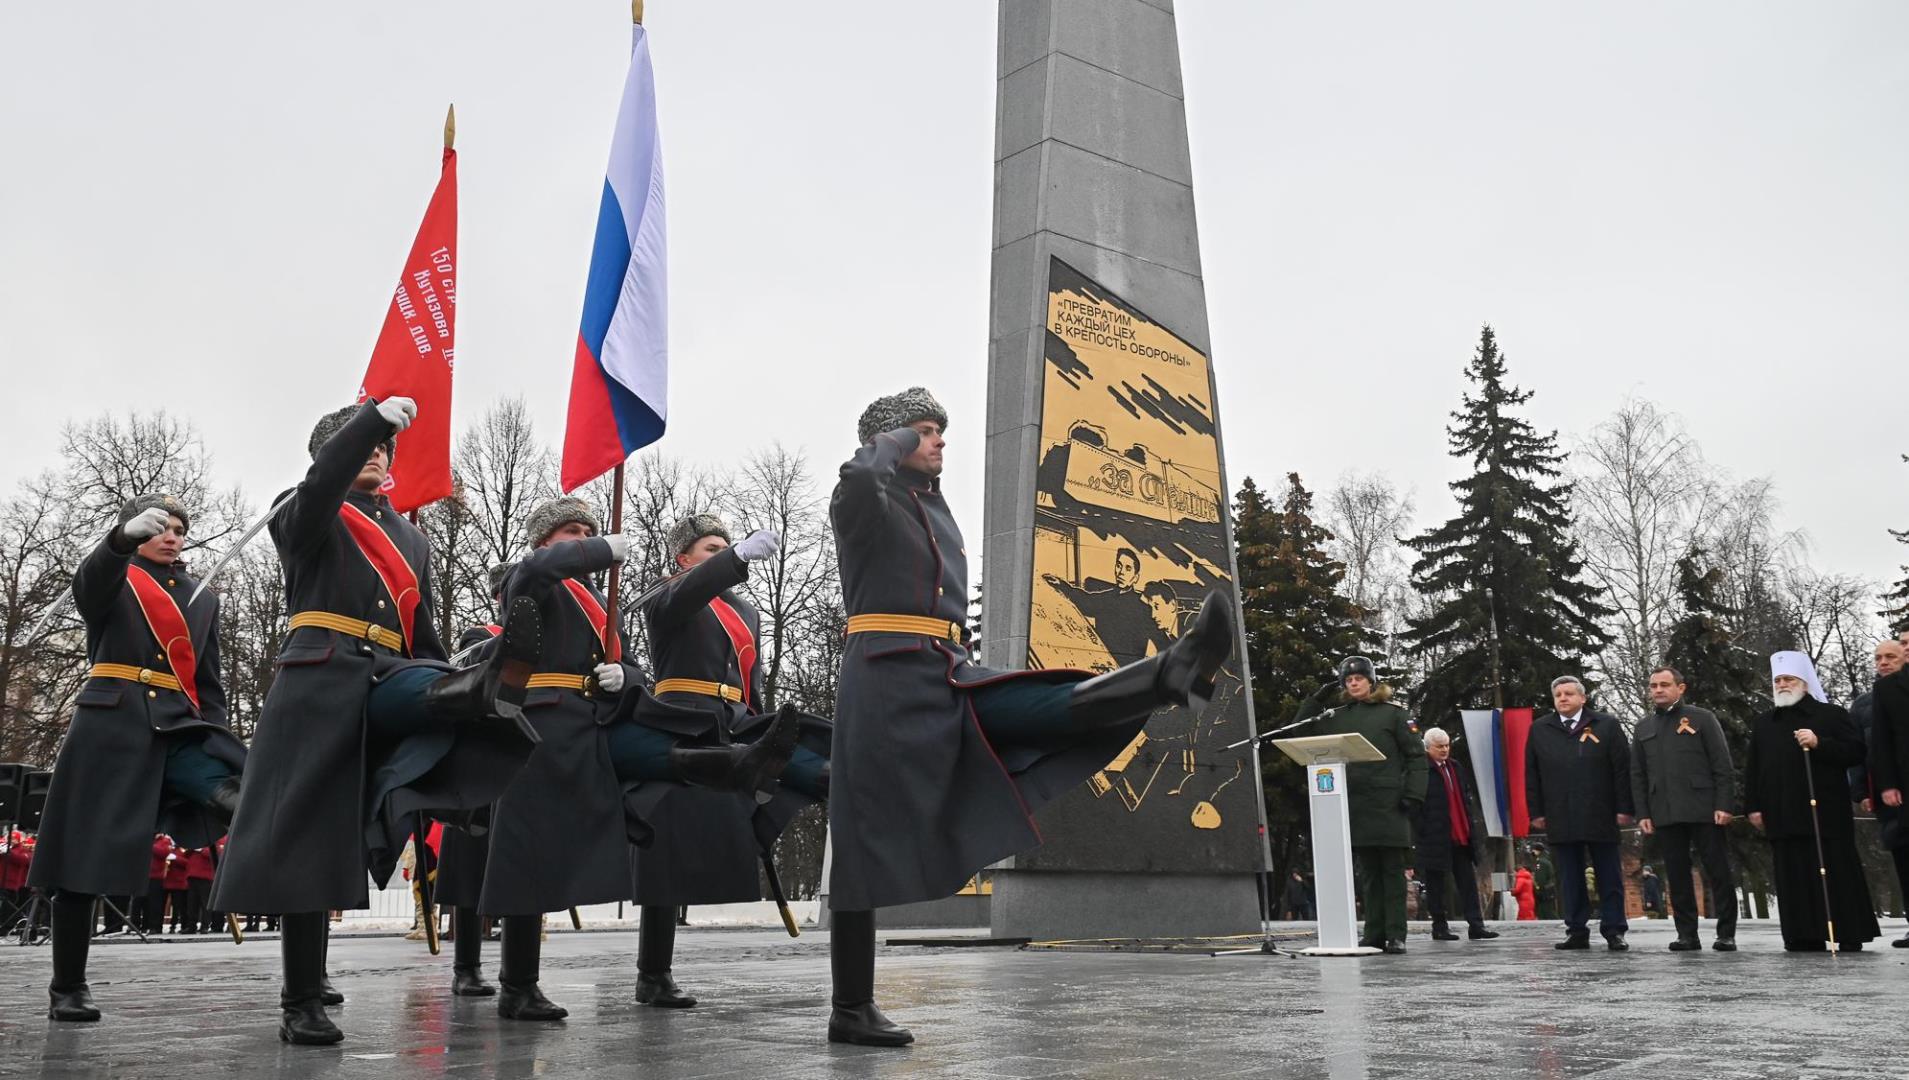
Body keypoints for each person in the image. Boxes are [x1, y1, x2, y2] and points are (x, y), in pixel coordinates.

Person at [826, 389, 1235, 1046]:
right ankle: (850, 1007)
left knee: (1043, 705)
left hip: (945, 670)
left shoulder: (930, 509)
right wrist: (895, 437)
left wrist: (911, 441)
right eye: (926, 432)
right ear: (893, 440)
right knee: (859, 841)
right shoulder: (867, 503)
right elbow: (855, 478)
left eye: (938, 432)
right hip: (883, 678)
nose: (939, 442)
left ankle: (1173, 672)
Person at [210, 399, 547, 1046]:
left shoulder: (412, 538)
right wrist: (372, 418)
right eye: (362, 444)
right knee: (310, 845)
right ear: (328, 456)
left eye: (384, 447)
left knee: (448, 687)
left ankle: (479, 692)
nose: (376, 453)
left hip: (388, 676)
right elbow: (320, 487)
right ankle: (301, 998)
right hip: (319, 677)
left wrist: (448, 670)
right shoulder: (302, 509)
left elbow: (419, 636)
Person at [477, 497, 808, 1022]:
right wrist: (599, 547)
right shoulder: (532, 577)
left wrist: (623, 678)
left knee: (659, 763)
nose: (583, 536)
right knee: (529, 849)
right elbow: (540, 568)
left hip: (590, 721)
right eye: (571, 531)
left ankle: (736, 764)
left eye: (589, 528)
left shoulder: (599, 602)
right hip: (540, 720)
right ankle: (517, 984)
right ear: (544, 541)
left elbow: (629, 665)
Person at [26, 494, 247, 1021]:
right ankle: (68, 987)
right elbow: (89, 585)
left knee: (248, 799)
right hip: (112, 726)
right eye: (160, 528)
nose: (171, 536)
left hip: (178, 728)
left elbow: (209, 680)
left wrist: (216, 735)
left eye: (179, 529)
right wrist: (120, 540)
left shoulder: (200, 597)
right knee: (83, 859)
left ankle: (306, 975)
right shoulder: (115, 575)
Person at [631, 511, 831, 1008]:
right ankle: (652, 973)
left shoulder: (744, 611)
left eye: (725, 546)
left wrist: (760, 722)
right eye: (710, 549)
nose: (722, 552)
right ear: (684, 558)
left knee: (811, 752)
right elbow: (690, 594)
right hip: (683, 718)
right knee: (666, 849)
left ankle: (830, 781)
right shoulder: (665, 596)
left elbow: (751, 674)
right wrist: (736, 558)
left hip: (737, 717)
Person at [1285, 656, 1429, 954]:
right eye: (1348, 680)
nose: (1353, 683)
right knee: (1369, 874)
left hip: (1390, 803)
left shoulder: (1394, 715)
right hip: (1354, 803)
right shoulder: (1337, 716)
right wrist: (1316, 698)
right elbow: (1300, 731)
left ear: (1371, 681)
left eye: (1359, 678)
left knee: (1391, 871)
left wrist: (1414, 795)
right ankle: (1374, 933)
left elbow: (1416, 757)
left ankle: (1395, 934)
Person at [1746, 651, 1879, 951]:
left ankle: (1847, 932)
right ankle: (1802, 933)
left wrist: (1820, 743)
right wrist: (1753, 805)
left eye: (1789, 679)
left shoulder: (1831, 715)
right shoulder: (1765, 722)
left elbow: (1855, 752)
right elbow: (1754, 767)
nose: (1782, 684)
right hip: (1781, 812)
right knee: (1792, 873)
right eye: (1778, 680)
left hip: (1825, 814)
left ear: (1804, 683)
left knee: (1834, 871)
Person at [1630, 665, 1738, 951]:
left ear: (1680, 688)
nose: (1658, 690)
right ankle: (1687, 934)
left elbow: (1722, 765)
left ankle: (1726, 932)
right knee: (1676, 876)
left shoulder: (1702, 719)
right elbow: (1638, 774)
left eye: (1664, 685)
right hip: (1665, 811)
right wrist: (1643, 813)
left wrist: (1724, 804)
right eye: (1653, 686)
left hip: (1705, 810)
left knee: (1718, 872)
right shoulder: (1644, 727)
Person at [1526, 675, 1633, 951]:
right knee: (1570, 877)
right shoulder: (1540, 729)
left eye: (1569, 693)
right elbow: (1531, 774)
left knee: (1608, 875)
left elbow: (1622, 769)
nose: (1563, 698)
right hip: (1561, 813)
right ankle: (1576, 930)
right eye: (1558, 694)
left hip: (1601, 811)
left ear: (1583, 698)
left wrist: (1625, 808)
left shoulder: (1606, 725)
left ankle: (1614, 930)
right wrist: (1535, 811)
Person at [1413, 727, 1497, 942]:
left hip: (1461, 835)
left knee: (1468, 883)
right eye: (1439, 746)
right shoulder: (1422, 769)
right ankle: (1439, 926)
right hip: (1435, 837)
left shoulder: (1456, 767)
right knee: (1436, 886)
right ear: (1427, 747)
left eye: (1447, 745)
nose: (1444, 750)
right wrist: (1422, 830)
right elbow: (1417, 805)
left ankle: (1476, 925)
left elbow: (1466, 798)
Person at [1852, 640, 1909, 946]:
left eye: (1891, 656)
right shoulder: (1865, 703)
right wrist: (1866, 789)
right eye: (1878, 658)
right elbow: (1866, 749)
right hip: (1892, 793)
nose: (1884, 662)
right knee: (1903, 857)